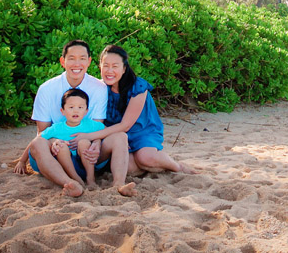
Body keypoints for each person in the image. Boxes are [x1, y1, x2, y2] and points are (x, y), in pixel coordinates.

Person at [14, 40, 137, 197]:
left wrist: (97, 145)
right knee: (38, 142)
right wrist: (54, 143)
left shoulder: (98, 88)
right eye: (71, 58)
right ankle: (70, 183)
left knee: (120, 136)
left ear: (89, 61)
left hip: (87, 156)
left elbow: (97, 127)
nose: (77, 63)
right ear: (62, 61)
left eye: (82, 58)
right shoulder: (47, 89)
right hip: (55, 157)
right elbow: (42, 132)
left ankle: (119, 184)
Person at [71, 45, 197, 175]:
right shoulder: (99, 88)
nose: (109, 71)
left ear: (124, 68)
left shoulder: (137, 86)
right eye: (106, 66)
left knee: (145, 158)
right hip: (115, 134)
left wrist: (89, 136)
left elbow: (126, 125)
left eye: (115, 66)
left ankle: (177, 166)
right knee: (130, 168)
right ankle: (149, 164)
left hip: (141, 130)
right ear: (100, 67)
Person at [16, 88, 107, 191]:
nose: (76, 110)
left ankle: (91, 179)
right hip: (64, 164)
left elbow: (106, 132)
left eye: (80, 107)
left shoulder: (91, 125)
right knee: (61, 147)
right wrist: (22, 161)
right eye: (71, 107)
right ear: (62, 111)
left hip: (83, 162)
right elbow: (36, 140)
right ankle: (76, 179)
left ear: (86, 111)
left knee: (84, 142)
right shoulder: (56, 128)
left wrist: (97, 140)